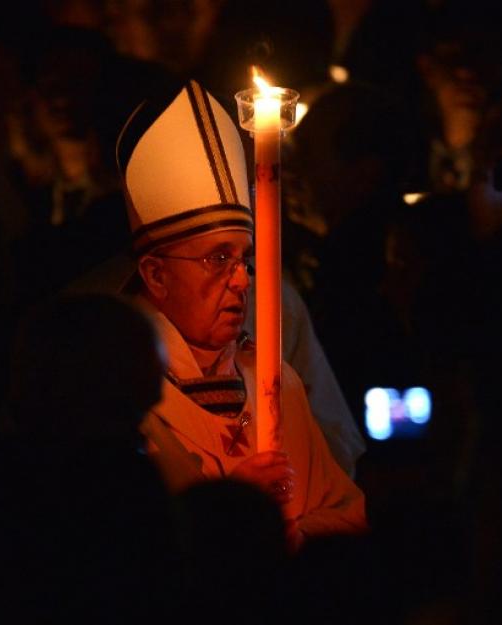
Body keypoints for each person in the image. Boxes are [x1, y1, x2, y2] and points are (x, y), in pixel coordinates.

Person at [115, 79, 367, 550]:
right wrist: (234, 515)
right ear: (156, 274)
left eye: (244, 258)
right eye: (217, 259)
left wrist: (295, 534)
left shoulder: (278, 384)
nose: (242, 280)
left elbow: (350, 514)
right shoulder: (121, 396)